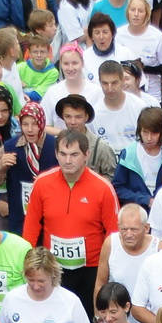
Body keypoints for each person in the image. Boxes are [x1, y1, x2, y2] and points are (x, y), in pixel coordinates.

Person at [29, 129, 123, 312]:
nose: (68, 160)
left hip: (91, 270)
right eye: (63, 154)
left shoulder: (103, 188)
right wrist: (30, 264)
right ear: (56, 154)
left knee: (87, 320)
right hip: (53, 267)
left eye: (74, 154)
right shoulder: (42, 183)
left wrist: (108, 272)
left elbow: (113, 234)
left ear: (86, 155)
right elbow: (32, 226)